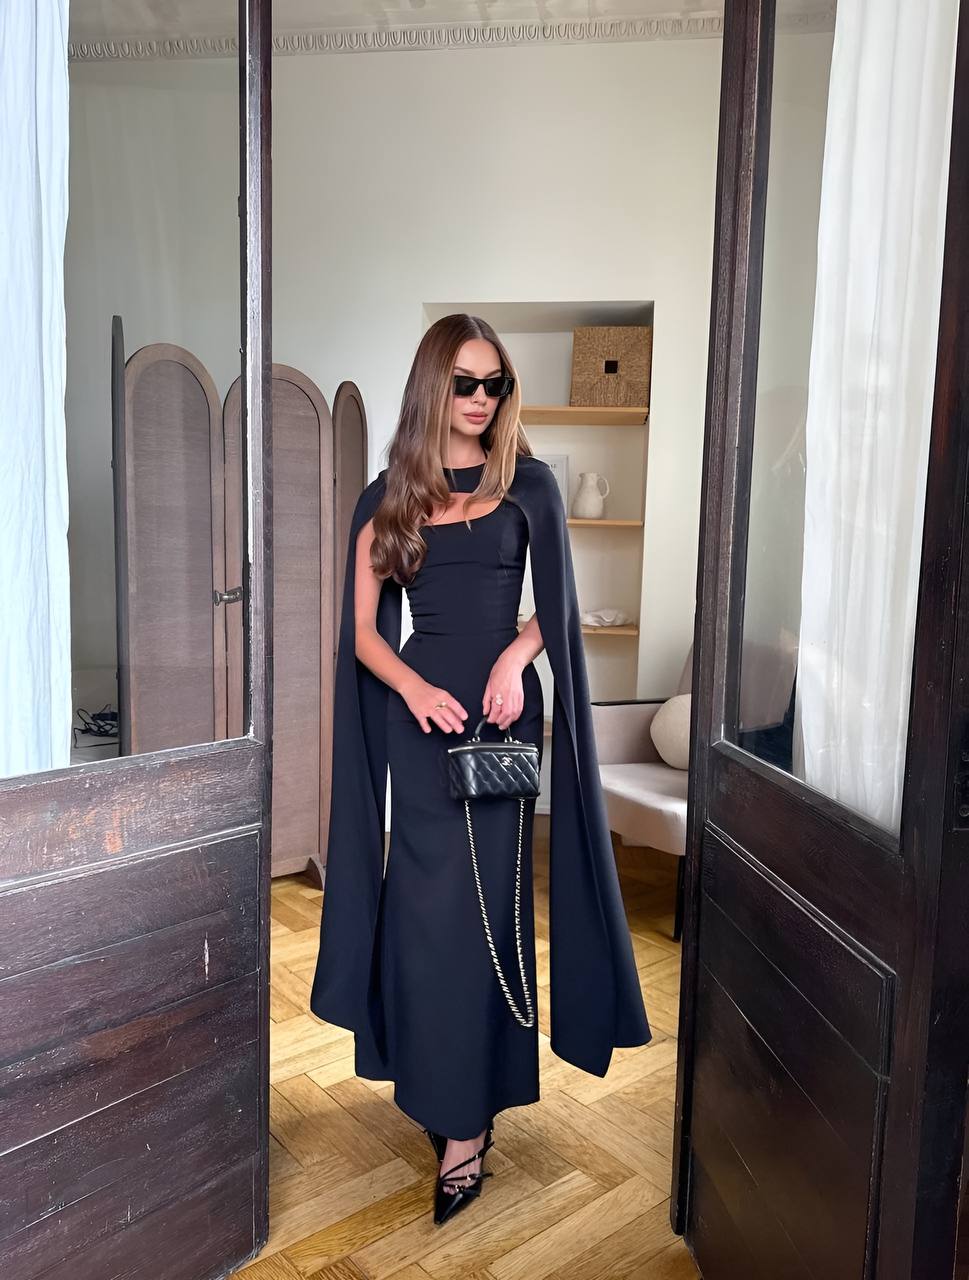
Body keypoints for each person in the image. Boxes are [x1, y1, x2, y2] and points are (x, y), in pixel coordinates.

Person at [311, 313, 651, 1227]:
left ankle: (468, 1128)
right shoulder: (388, 497)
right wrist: (414, 689)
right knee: (423, 918)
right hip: (422, 721)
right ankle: (438, 1085)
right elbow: (359, 635)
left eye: (494, 384)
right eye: (464, 383)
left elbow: (563, 606)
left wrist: (516, 655)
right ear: (433, 387)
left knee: (486, 915)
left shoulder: (526, 486)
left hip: (500, 720)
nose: (480, 400)